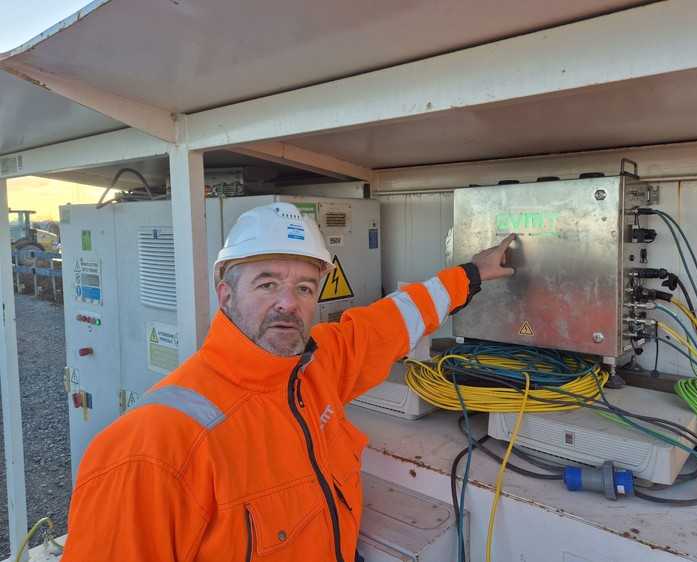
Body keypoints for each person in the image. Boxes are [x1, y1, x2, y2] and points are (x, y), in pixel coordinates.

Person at [61, 202, 516, 561]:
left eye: (304, 288)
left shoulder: (316, 367)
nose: (288, 304)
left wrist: (471, 274)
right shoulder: (151, 449)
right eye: (266, 284)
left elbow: (392, 321)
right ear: (226, 294)